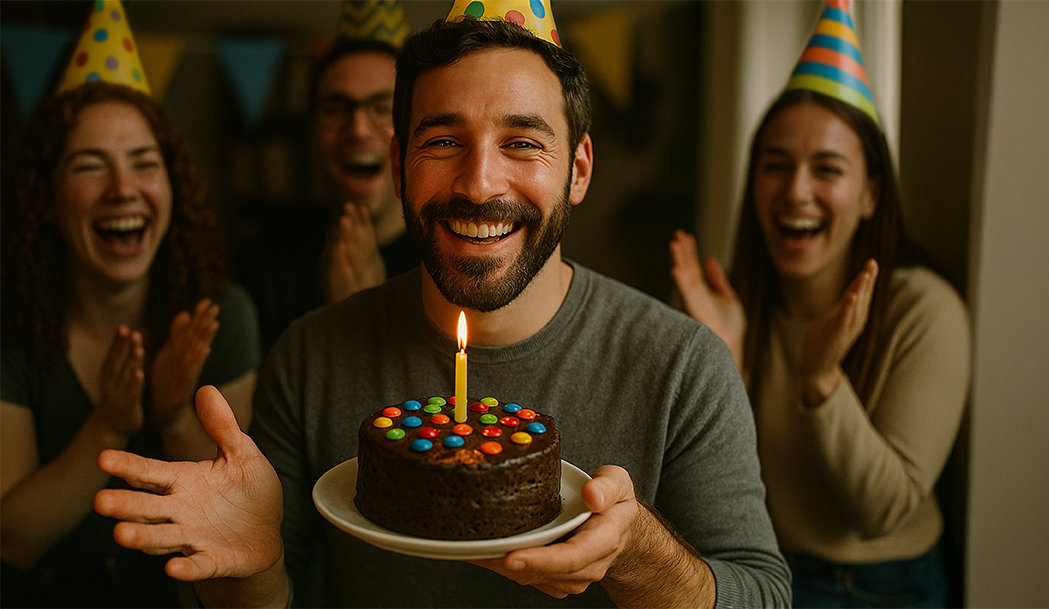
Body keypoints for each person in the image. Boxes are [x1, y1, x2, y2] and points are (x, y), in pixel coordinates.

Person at [92, 12, 792, 609]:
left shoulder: (682, 364)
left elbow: (762, 593)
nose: (479, 181)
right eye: (442, 141)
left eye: (521, 142)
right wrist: (251, 566)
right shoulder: (310, 354)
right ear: (398, 165)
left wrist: (638, 550)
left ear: (577, 168)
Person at [669, 2, 970, 606]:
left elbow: (880, 511)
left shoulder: (925, 310)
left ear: (870, 195)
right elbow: (730, 493)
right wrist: (728, 362)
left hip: (883, 587)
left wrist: (822, 378)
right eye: (775, 166)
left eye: (827, 169)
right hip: (765, 565)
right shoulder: (739, 302)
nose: (795, 191)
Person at [0, 78, 261, 606]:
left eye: (144, 162)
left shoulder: (223, 316)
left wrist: (173, 418)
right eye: (89, 166)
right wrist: (109, 426)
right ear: (45, 200)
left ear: (172, 184)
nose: (122, 188)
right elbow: (13, 541)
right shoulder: (12, 329)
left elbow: (233, 519)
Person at [233, 3, 418, 355]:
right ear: (313, 133)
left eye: (384, 108)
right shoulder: (262, 260)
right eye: (336, 109)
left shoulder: (449, 263)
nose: (358, 129)